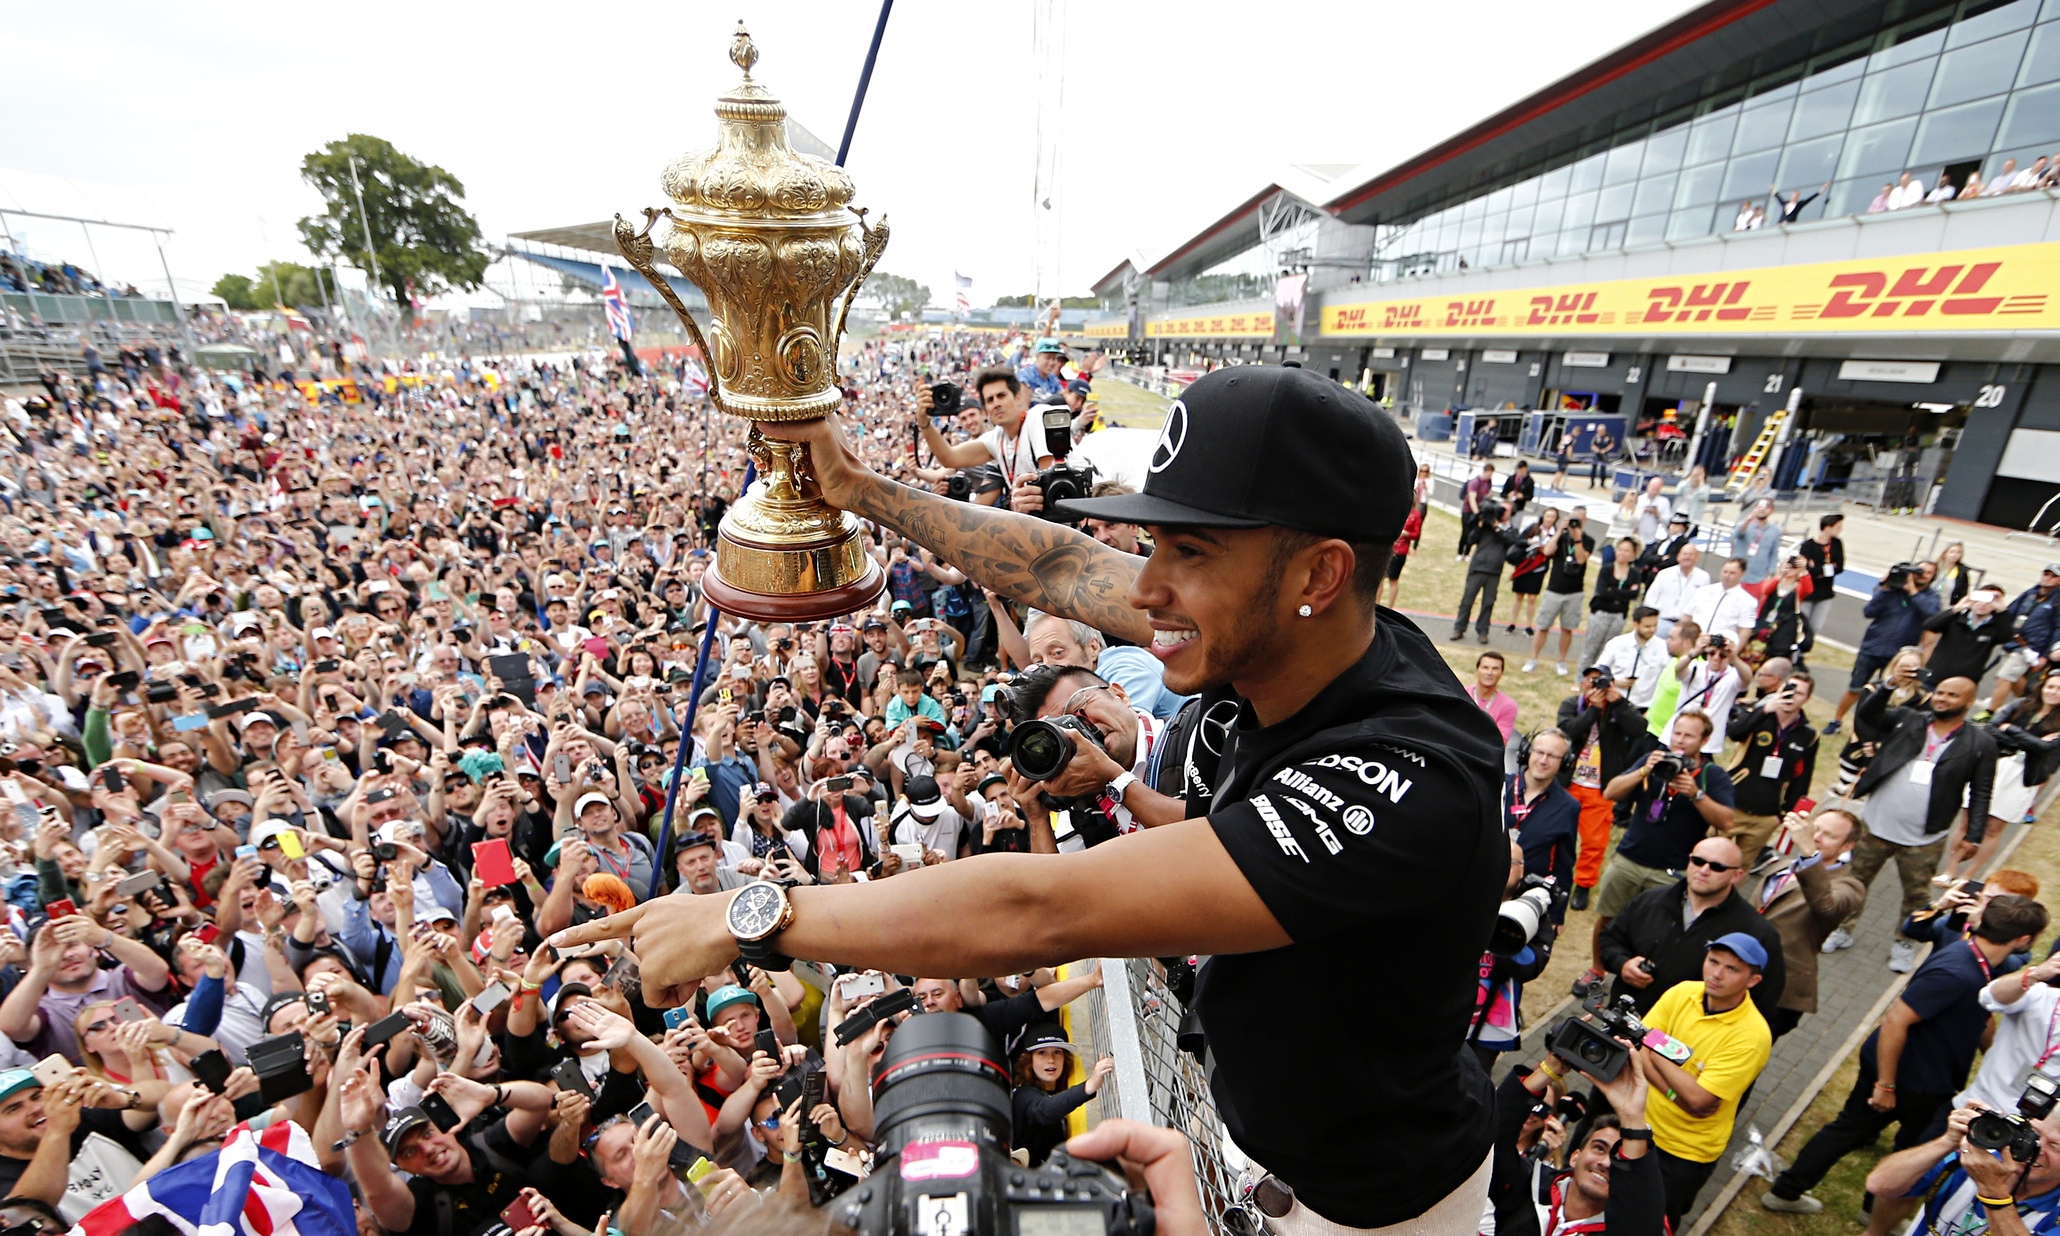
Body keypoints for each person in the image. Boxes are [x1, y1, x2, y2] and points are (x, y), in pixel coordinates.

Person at [557, 365, 1513, 1232]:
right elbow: (1058, 566)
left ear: (1319, 572)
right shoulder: (1293, 636)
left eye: (1189, 551)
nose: (1145, 589)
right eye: (1150, 544)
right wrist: (860, 490)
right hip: (1266, 1157)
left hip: (1375, 1213)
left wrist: (749, 913)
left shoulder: (1407, 772)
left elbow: (1041, 906)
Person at [1761, 895, 2049, 1220]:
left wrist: (1995, 1055)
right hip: (1914, 1079)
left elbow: (1977, 1017)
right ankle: (1862, 1209)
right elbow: (1897, 1019)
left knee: (1850, 1130)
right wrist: (1886, 1084)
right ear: (2024, 939)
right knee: (1897, 1145)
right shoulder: (1956, 971)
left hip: (1918, 1074)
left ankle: (1792, 1191)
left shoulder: (1976, 961)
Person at [1844, 675, 1999, 972]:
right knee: (1855, 882)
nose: (1942, 698)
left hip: (1925, 836)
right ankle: (1843, 928)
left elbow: (1981, 792)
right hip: (1875, 825)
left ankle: (1905, 941)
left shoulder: (1980, 743)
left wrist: (1974, 836)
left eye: (1952, 695)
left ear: (1969, 702)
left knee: (1916, 895)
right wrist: (1887, 687)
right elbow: (1869, 715)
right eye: (1939, 692)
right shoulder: (1909, 719)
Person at [1639, 933, 1775, 1226]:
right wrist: (1678, 1095)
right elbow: (1637, 1048)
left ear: (1753, 981)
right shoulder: (1682, 992)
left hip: (1683, 1152)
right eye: (1713, 961)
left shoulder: (1752, 1036)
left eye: (1732, 969)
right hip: (1638, 1123)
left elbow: (1700, 1099)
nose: (1716, 974)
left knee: (1654, 1224)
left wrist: (1655, 1053)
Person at [1594, 825, 1777, 1019]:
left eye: (1717, 867)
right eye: (1698, 861)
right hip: (1623, 1023)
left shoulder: (1756, 932)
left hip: (1685, 1041)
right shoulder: (1651, 901)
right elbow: (1609, 940)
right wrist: (1623, 964)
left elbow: (1765, 1003)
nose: (1704, 870)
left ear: (1737, 875)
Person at [1489, 1037, 1663, 1236]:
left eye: (1617, 1159)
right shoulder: (1531, 1186)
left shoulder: (1623, 1230)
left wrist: (1633, 1117)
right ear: (1575, 1156)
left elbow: (1646, 1218)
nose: (1606, 1163)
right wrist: (1549, 1070)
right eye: (1599, 1148)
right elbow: (1491, 1139)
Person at [1755, 806, 1865, 1038]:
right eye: (1815, 829)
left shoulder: (1849, 887)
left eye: (1829, 835)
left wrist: (1808, 853)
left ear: (1847, 846)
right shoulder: (1782, 865)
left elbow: (1826, 907)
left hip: (1779, 990)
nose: (1816, 837)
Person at [1557, 664, 1653, 922]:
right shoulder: (1571, 704)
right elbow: (1568, 731)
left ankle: (1584, 886)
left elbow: (1640, 729)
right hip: (1568, 784)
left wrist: (1618, 703)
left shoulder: (1619, 709)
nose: (1594, 686)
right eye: (1590, 681)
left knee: (1594, 843)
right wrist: (1593, 710)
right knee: (1557, 835)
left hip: (1601, 788)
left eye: (1600, 682)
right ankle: (1554, 879)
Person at [1830, 561, 1940, 735]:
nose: (1923, 574)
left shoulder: (1930, 597)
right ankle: (1836, 720)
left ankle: (1872, 729)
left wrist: (1913, 592)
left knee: (1887, 693)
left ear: (1933, 577)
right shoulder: (1892, 590)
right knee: (1855, 688)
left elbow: (1932, 617)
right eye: (1920, 571)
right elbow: (1869, 611)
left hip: (1899, 655)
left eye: (1928, 573)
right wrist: (1885, 588)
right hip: (1873, 647)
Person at [1723, 668, 1818, 863]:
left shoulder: (1808, 735)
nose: (1791, 696)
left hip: (1767, 814)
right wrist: (1765, 709)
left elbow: (1802, 778)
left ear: (1807, 699)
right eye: (1788, 689)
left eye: (1799, 693)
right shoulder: (1759, 717)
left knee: (1742, 865)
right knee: (1710, 852)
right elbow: (1734, 733)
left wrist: (1783, 815)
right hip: (1733, 804)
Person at [1009, 1026, 1114, 1168]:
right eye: (1042, 1053)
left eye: (1057, 1052)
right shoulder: (1023, 1095)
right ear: (1028, 1061)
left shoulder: (1058, 1091)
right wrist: (1089, 1086)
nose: (1051, 1060)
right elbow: (1044, 1109)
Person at [1507, 729, 1579, 897]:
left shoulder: (1568, 807)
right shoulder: (1500, 786)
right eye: (1539, 752)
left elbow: (1564, 865)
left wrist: (1557, 917)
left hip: (1526, 894)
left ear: (1565, 762)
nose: (1543, 760)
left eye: (1552, 756)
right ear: (1527, 752)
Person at [1525, 512, 1594, 676]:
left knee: (1567, 628)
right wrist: (1559, 532)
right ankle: (1533, 658)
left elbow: (1581, 558)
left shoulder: (1588, 540)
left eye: (1579, 519)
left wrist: (1577, 536)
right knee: (1543, 626)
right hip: (1554, 589)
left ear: (1585, 520)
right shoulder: (1561, 536)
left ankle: (1561, 661)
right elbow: (1547, 551)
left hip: (1574, 591)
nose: (1575, 522)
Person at [1990, 565, 2059, 716]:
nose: (2048, 578)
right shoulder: (2031, 593)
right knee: (2015, 679)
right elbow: (2011, 610)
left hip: (2032, 647)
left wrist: (2045, 655)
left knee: (2005, 675)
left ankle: (1990, 711)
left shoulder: (2057, 600)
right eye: (2046, 574)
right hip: (2014, 640)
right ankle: (2028, 703)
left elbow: (2057, 629)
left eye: (2053, 576)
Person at [1922, 583, 2012, 696]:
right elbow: (1930, 625)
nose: (1983, 605)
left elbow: (2006, 637)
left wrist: (2002, 611)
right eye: (1980, 599)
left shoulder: (1995, 627)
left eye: (1990, 601)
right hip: (1935, 678)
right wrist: (1956, 608)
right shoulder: (1956, 618)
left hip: (1963, 685)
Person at [1456, 504, 1521, 645]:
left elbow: (1511, 542)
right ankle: (1459, 628)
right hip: (1478, 568)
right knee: (1467, 600)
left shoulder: (1511, 530)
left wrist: (1497, 527)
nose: (1502, 512)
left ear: (1511, 513)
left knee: (1488, 602)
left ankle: (1483, 630)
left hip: (1494, 571)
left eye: (1506, 510)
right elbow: (1471, 539)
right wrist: (1480, 523)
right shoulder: (1485, 526)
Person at [1577, 537, 1643, 676]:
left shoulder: (1635, 573)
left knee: (1608, 648)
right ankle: (1581, 677)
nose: (1622, 553)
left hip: (1619, 615)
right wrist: (1624, 592)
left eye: (1627, 551)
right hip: (1601, 612)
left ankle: (1599, 676)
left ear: (1632, 554)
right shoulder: (1607, 569)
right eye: (1620, 549)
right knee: (1591, 647)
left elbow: (1634, 594)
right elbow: (1601, 591)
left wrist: (1613, 591)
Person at [1795, 513, 1846, 648]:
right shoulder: (1808, 545)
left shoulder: (1837, 544)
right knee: (1802, 624)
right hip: (1808, 592)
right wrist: (1826, 569)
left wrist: (1817, 568)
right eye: (1837, 527)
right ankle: (1796, 654)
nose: (1840, 530)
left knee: (1815, 626)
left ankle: (1805, 650)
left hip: (1825, 592)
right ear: (1827, 527)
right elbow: (1804, 569)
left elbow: (1839, 567)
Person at [1641, 544, 1709, 638]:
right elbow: (1650, 597)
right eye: (1684, 554)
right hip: (1662, 620)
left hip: (1686, 626)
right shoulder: (1665, 574)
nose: (1687, 557)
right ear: (1678, 556)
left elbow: (1703, 603)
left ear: (1697, 557)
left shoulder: (1703, 578)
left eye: (1691, 554)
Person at [1469, 652, 1519, 744]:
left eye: (1495, 669)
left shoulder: (1508, 705)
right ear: (1477, 670)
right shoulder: (1461, 693)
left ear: (1501, 673)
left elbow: (1500, 741)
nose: (1489, 673)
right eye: (1485, 667)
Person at [1459, 462, 1497, 559]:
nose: (1489, 476)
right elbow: (1472, 499)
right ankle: (1460, 552)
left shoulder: (1488, 482)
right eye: (1489, 474)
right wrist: (1477, 513)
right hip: (1468, 510)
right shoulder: (1475, 482)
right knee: (1466, 531)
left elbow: (1488, 493)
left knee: (1474, 532)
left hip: (1479, 508)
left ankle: (1467, 553)